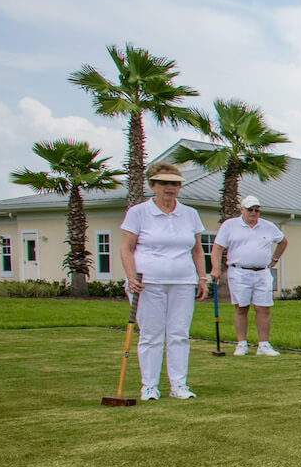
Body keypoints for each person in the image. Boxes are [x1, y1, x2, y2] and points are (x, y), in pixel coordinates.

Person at [119, 161, 208, 400]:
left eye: (175, 184)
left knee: (179, 333)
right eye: (164, 183)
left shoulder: (190, 214)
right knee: (151, 334)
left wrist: (202, 278)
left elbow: (197, 250)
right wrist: (130, 276)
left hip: (183, 281)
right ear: (153, 185)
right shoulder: (138, 212)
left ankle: (179, 385)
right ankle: (149, 386)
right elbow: (126, 248)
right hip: (147, 283)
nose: (170, 188)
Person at [208, 195, 288, 356]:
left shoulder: (268, 226)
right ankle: (241, 343)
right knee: (241, 307)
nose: (253, 213)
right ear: (241, 210)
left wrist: (274, 260)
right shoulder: (230, 225)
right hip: (239, 271)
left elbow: (283, 241)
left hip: (262, 272)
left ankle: (263, 345)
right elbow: (217, 248)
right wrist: (215, 268)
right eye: (250, 210)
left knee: (263, 308)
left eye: (256, 210)